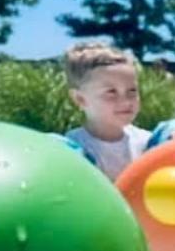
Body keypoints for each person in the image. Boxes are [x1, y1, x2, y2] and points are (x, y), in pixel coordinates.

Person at [63, 42, 152, 181]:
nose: (126, 101)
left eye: (132, 91)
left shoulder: (147, 143)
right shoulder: (72, 147)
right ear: (80, 99)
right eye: (111, 92)